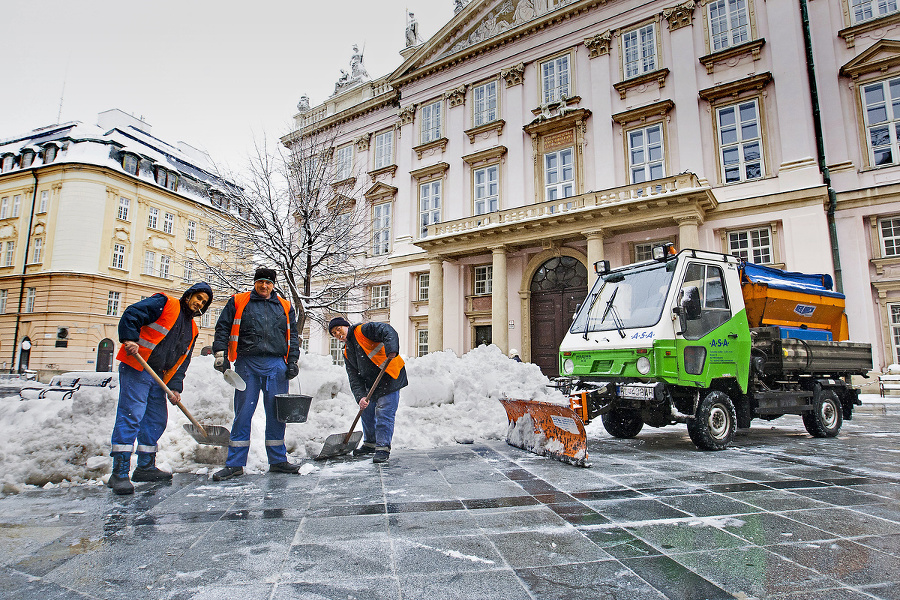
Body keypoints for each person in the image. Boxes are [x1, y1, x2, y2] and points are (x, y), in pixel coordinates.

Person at [108, 282, 213, 495]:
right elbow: (132, 313)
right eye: (198, 297)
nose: (199, 303)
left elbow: (182, 361)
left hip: (159, 378)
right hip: (138, 366)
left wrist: (175, 387)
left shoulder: (192, 329)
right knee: (131, 416)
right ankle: (119, 472)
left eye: (204, 302)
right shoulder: (165, 303)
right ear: (189, 295)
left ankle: (145, 466)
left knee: (155, 420)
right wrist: (129, 338)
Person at [211, 267, 301, 481]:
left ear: (273, 285)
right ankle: (235, 464)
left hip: (277, 365)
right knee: (243, 414)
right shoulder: (238, 301)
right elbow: (222, 328)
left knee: (278, 415)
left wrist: (293, 360)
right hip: (247, 364)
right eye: (260, 282)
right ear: (254, 282)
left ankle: (278, 460)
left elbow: (293, 335)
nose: (264, 286)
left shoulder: (285, 306)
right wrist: (220, 353)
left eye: (268, 283)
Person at [328, 317, 408, 463]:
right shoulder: (347, 351)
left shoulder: (363, 330)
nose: (337, 333)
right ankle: (370, 443)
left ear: (346, 326)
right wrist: (360, 397)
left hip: (389, 374)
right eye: (334, 333)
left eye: (338, 329)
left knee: (384, 412)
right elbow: (354, 378)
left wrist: (392, 349)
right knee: (367, 410)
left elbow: (388, 331)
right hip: (372, 382)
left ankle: (383, 447)